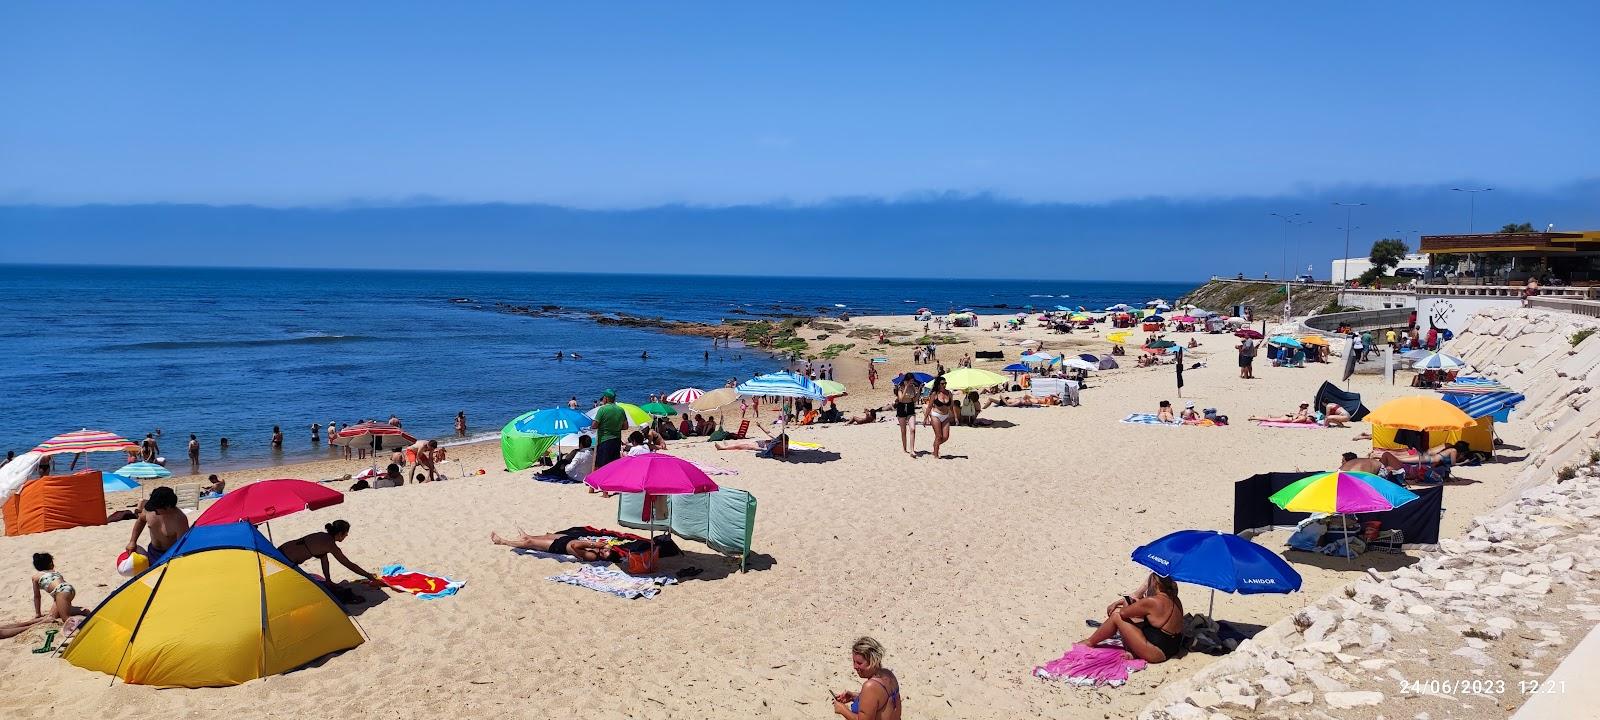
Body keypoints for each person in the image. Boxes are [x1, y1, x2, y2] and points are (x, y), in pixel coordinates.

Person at [1078, 573, 1185, 664]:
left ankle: (1090, 642)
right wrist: (1137, 604)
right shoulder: (1176, 600)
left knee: (1116, 615)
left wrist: (1127, 602)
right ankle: (1134, 653)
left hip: (1157, 653)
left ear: (1155, 583)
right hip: (1174, 646)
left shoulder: (1153, 601)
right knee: (1139, 621)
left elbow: (1124, 613)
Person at [278, 520, 383, 589]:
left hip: (281, 550)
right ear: (339, 534)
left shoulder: (323, 537)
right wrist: (368, 576)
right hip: (285, 560)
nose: (347, 535)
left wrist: (328, 580)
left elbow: (324, 560)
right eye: (346, 533)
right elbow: (348, 564)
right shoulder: (330, 545)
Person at [831, 636, 902, 720]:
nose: (855, 666)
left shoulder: (870, 686)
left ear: (873, 661)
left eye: (859, 663)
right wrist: (854, 697)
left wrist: (842, 709)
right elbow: (881, 701)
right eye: (854, 662)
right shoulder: (888, 674)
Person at [126, 486, 190, 558]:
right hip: (152, 551)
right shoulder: (149, 510)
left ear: (168, 506)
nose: (154, 511)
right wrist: (132, 541)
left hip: (170, 554)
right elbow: (140, 521)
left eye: (156, 509)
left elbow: (181, 547)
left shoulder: (179, 519)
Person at [490, 529, 622, 562]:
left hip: (560, 547)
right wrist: (600, 545)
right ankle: (526, 535)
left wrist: (593, 544)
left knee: (530, 544)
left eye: (605, 554)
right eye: (606, 550)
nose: (604, 551)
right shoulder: (598, 548)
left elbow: (576, 546)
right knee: (545, 536)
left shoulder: (593, 556)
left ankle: (503, 542)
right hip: (567, 539)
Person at [31, 553, 89, 625]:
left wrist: (38, 613)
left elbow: (37, 596)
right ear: (51, 564)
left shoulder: (35, 577)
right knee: (54, 615)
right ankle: (79, 610)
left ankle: (83, 617)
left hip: (61, 592)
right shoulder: (54, 572)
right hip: (68, 588)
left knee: (65, 618)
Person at [716, 410, 789, 455]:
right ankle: (727, 446)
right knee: (740, 444)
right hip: (760, 443)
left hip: (759, 446)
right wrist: (760, 426)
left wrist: (760, 426)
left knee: (741, 446)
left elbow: (768, 434)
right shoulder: (779, 442)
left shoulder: (779, 445)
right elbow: (768, 433)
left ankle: (722, 448)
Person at [592, 390, 626, 468]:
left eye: (603, 398)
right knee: (613, 465)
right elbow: (625, 426)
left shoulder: (602, 409)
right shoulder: (621, 410)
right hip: (617, 440)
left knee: (603, 466)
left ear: (606, 398)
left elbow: (594, 425)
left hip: (605, 440)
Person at [924, 377, 956, 459]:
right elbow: (929, 407)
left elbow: (952, 406)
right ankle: (935, 454)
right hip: (936, 416)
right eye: (942, 384)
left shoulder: (949, 393)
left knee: (945, 437)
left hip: (945, 416)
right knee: (939, 436)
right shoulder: (935, 394)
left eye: (945, 383)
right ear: (938, 385)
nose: (944, 385)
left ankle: (935, 445)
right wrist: (925, 418)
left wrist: (955, 417)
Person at [894, 375, 922, 458]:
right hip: (901, 408)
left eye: (912, 381)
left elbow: (914, 400)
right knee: (903, 430)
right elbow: (901, 399)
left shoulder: (912, 387)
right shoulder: (900, 388)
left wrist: (919, 391)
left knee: (912, 429)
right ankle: (904, 448)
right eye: (911, 381)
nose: (912, 382)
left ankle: (912, 450)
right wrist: (906, 387)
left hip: (910, 408)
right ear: (906, 380)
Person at [1249, 403, 1315, 424]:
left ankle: (1255, 416)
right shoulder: (1304, 418)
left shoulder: (1303, 415)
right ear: (1310, 419)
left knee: (1270, 418)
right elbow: (1294, 421)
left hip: (1288, 416)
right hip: (1287, 419)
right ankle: (1254, 418)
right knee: (1269, 419)